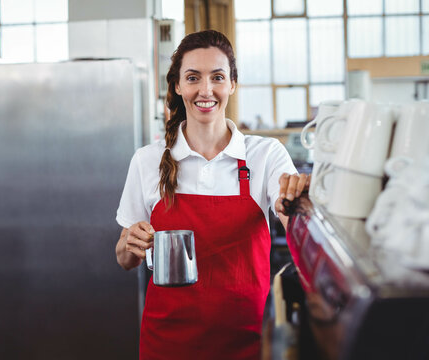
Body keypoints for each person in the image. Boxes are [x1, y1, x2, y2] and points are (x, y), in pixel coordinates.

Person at [115, 30, 309, 360]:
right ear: (177, 85)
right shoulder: (147, 160)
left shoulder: (264, 155)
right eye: (193, 78)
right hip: (167, 345)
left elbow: (296, 219)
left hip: (247, 343)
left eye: (217, 77)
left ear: (232, 83)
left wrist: (295, 204)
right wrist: (128, 245)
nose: (206, 90)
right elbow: (125, 258)